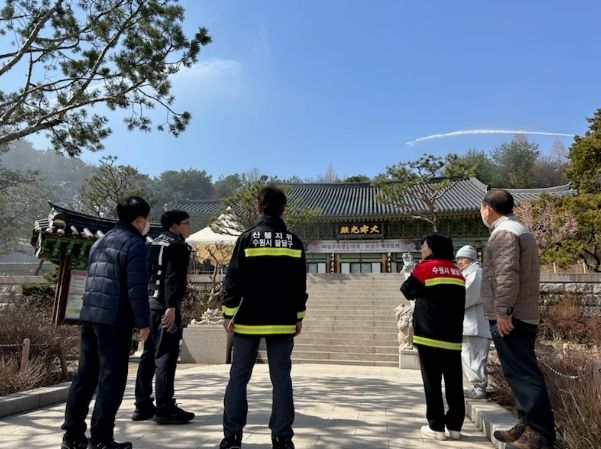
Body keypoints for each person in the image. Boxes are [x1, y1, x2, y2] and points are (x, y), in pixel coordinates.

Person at [220, 185, 308, 449]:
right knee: (281, 379)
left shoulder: (247, 239)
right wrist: (298, 316)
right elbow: (299, 285)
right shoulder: (293, 242)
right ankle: (282, 438)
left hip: (247, 320)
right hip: (282, 320)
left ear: (259, 207)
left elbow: (233, 279)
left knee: (239, 377)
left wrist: (228, 313)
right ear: (284, 209)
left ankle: (232, 436)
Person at [61, 197, 152, 449]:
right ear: (139, 220)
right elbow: (136, 288)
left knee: (85, 376)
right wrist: (143, 322)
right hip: (115, 319)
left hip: (90, 316)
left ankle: (72, 436)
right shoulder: (135, 244)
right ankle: (101, 439)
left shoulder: (100, 241)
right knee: (111, 379)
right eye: (146, 219)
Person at [480, 189, 556, 449]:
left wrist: (503, 311)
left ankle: (539, 432)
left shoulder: (504, 233)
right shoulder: (518, 229)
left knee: (522, 373)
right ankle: (525, 424)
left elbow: (506, 274)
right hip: (521, 312)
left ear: (488, 209)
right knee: (517, 373)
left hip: (512, 316)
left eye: (482, 209)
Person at [400, 233, 466, 441]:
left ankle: (436, 426)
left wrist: (419, 267)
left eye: (424, 246)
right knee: (454, 383)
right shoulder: (457, 271)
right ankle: (455, 426)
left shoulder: (427, 268)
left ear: (433, 248)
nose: (421, 249)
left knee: (432, 383)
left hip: (429, 335)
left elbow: (406, 290)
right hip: (453, 337)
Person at [132, 210, 195, 424]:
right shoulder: (178, 246)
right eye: (186, 223)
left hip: (150, 304)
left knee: (149, 354)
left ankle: (142, 405)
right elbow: (172, 277)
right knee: (166, 355)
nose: (189, 227)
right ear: (174, 226)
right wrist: (171, 306)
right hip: (165, 307)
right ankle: (165, 407)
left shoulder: (152, 243)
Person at [455, 245, 491, 400]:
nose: (460, 262)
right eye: (458, 259)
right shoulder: (468, 273)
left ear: (471, 258)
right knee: (468, 356)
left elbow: (468, 295)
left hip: (475, 324)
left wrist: (450, 304)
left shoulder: (476, 272)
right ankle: (476, 386)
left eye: (463, 258)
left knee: (476, 357)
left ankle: (480, 388)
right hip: (468, 323)